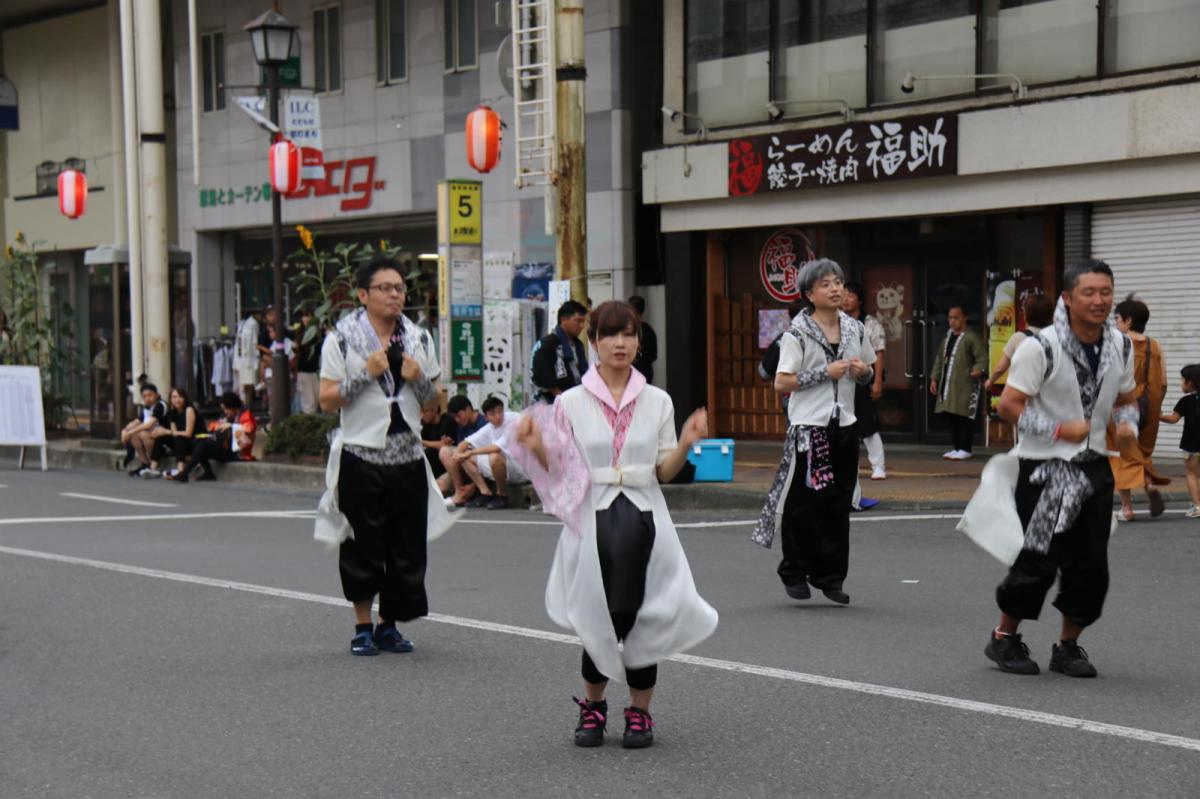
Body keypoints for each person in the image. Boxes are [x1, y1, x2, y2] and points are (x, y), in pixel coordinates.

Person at [510, 300, 717, 749]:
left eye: (629, 334)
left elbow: (664, 471)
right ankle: (593, 708)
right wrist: (535, 448)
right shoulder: (569, 401)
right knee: (598, 615)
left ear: (639, 342)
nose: (620, 343)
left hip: (646, 511)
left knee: (646, 613)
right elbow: (563, 470)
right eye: (610, 335)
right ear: (594, 343)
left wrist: (684, 442)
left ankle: (640, 713)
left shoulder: (657, 399)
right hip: (593, 515)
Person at [979, 259, 1138, 678]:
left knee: (1091, 567)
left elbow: (1126, 399)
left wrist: (1126, 428)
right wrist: (1057, 429)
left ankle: (1067, 646)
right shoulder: (1041, 346)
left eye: (1106, 292)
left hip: (1095, 468)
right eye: (1089, 292)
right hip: (1047, 470)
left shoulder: (1122, 345)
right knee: (1038, 560)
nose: (1100, 300)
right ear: (1067, 298)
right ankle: (1003, 638)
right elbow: (1008, 406)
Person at [313, 256, 454, 657]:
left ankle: (388, 624)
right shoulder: (340, 340)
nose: (395, 295)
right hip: (361, 454)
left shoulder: (418, 339)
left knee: (404, 544)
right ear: (363, 295)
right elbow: (326, 400)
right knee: (362, 542)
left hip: (407, 454)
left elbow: (435, 405)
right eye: (385, 288)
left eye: (399, 289)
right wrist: (366, 372)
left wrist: (419, 379)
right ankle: (361, 625)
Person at [752, 259, 877, 606]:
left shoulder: (855, 329)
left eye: (839, 282)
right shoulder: (796, 334)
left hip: (846, 426)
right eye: (826, 284)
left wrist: (862, 371)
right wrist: (825, 373)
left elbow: (867, 374)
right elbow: (781, 382)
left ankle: (831, 577)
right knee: (806, 504)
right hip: (811, 428)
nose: (836, 289)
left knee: (839, 504)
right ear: (810, 294)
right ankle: (794, 570)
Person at [1106, 296, 1169, 521]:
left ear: (1128, 320)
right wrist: (1155, 409)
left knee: (1121, 455)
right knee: (1140, 451)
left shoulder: (1118, 343)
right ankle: (1150, 483)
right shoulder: (1156, 346)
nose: (1115, 324)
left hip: (1122, 407)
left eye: (1117, 319)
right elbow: (1162, 382)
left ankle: (1127, 508)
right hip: (1149, 408)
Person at [842, 282, 887, 516]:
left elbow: (879, 352)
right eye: (844, 295)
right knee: (847, 424)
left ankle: (878, 466)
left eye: (851, 295)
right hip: (844, 379)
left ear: (859, 300)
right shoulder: (837, 322)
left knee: (868, 423)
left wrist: (877, 381)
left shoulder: (870, 323)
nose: (846, 299)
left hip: (865, 376)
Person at [451, 396, 528, 510]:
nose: (498, 416)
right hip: (506, 466)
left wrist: (470, 453)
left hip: (521, 468)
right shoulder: (490, 427)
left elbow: (496, 448)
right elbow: (466, 442)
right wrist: (457, 454)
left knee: (494, 457)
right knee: (464, 457)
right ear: (486, 417)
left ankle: (502, 495)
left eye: (500, 411)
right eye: (493, 414)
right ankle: (485, 493)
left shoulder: (513, 420)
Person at [930, 305, 986, 459]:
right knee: (952, 415)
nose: (952, 321)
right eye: (950, 318)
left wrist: (978, 369)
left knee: (964, 416)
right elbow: (939, 361)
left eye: (956, 318)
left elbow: (981, 357)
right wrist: (934, 378)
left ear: (965, 318)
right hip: (949, 384)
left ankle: (966, 448)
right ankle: (957, 448)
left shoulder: (971, 337)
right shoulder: (947, 339)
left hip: (966, 384)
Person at [168, 392, 257, 482]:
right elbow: (215, 425)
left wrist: (231, 425)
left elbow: (249, 429)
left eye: (226, 409)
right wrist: (218, 426)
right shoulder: (228, 416)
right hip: (224, 447)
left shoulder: (246, 414)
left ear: (233, 406)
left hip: (238, 453)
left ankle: (185, 472)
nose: (225, 411)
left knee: (203, 445)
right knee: (198, 441)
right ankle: (207, 472)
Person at [985, 294, 1055, 391]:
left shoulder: (1018, 337)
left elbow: (1001, 368)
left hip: (1023, 392)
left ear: (1025, 316)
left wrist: (990, 381)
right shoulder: (1055, 339)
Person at [1158, 364, 1200, 518]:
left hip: (1191, 446)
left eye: (1183, 380)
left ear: (1190, 383)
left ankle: (1197, 506)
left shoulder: (1186, 401)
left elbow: (1173, 419)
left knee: (1191, 475)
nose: (1181, 384)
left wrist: (1157, 415)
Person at [532, 300, 588, 402]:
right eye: (578, 321)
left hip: (576, 399)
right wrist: (560, 396)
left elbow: (584, 372)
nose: (582, 326)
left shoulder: (578, 345)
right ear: (563, 320)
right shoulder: (548, 343)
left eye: (583, 322)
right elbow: (540, 373)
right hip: (552, 402)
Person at [439, 395, 490, 506]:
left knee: (447, 452)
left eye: (459, 416)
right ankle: (459, 491)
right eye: (454, 417)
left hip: (479, 469)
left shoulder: (484, 425)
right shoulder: (462, 426)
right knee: (439, 487)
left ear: (468, 409)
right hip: (463, 469)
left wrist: (473, 485)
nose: (457, 420)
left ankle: (462, 493)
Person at [121, 383, 168, 477]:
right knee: (134, 435)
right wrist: (125, 430)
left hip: (164, 439)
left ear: (157, 395)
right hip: (153, 437)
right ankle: (145, 463)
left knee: (142, 433)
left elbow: (149, 425)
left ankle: (154, 462)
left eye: (150, 395)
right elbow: (137, 421)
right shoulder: (146, 408)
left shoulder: (161, 405)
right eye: (144, 396)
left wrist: (130, 431)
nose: (147, 398)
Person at [155, 387, 198, 479]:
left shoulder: (189, 409)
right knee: (161, 436)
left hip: (194, 442)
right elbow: (174, 432)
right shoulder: (173, 412)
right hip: (181, 443)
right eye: (174, 397)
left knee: (178, 438)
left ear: (185, 398)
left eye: (180, 397)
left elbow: (188, 433)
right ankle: (153, 467)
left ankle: (181, 471)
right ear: (170, 399)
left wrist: (167, 431)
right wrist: (165, 432)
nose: (177, 400)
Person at [294, 309, 323, 415]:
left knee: (316, 401)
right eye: (304, 316)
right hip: (304, 371)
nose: (306, 319)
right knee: (308, 403)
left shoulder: (319, 333)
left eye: (309, 316)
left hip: (316, 371)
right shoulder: (298, 333)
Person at [420, 402, 455, 482]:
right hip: (435, 459)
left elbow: (444, 445)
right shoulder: (425, 424)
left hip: (447, 458)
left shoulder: (447, 420)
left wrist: (423, 442)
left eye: (425, 411)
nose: (422, 415)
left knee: (429, 453)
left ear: (435, 409)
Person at [627, 296, 658, 385]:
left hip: (638, 372)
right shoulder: (649, 330)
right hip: (645, 372)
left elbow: (652, 355)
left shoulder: (634, 330)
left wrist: (637, 358)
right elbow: (654, 355)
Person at [235, 311, 260, 407]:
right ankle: (245, 404)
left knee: (250, 383)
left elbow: (255, 341)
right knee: (243, 384)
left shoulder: (253, 324)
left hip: (251, 359)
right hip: (242, 359)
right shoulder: (241, 324)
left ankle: (249, 404)